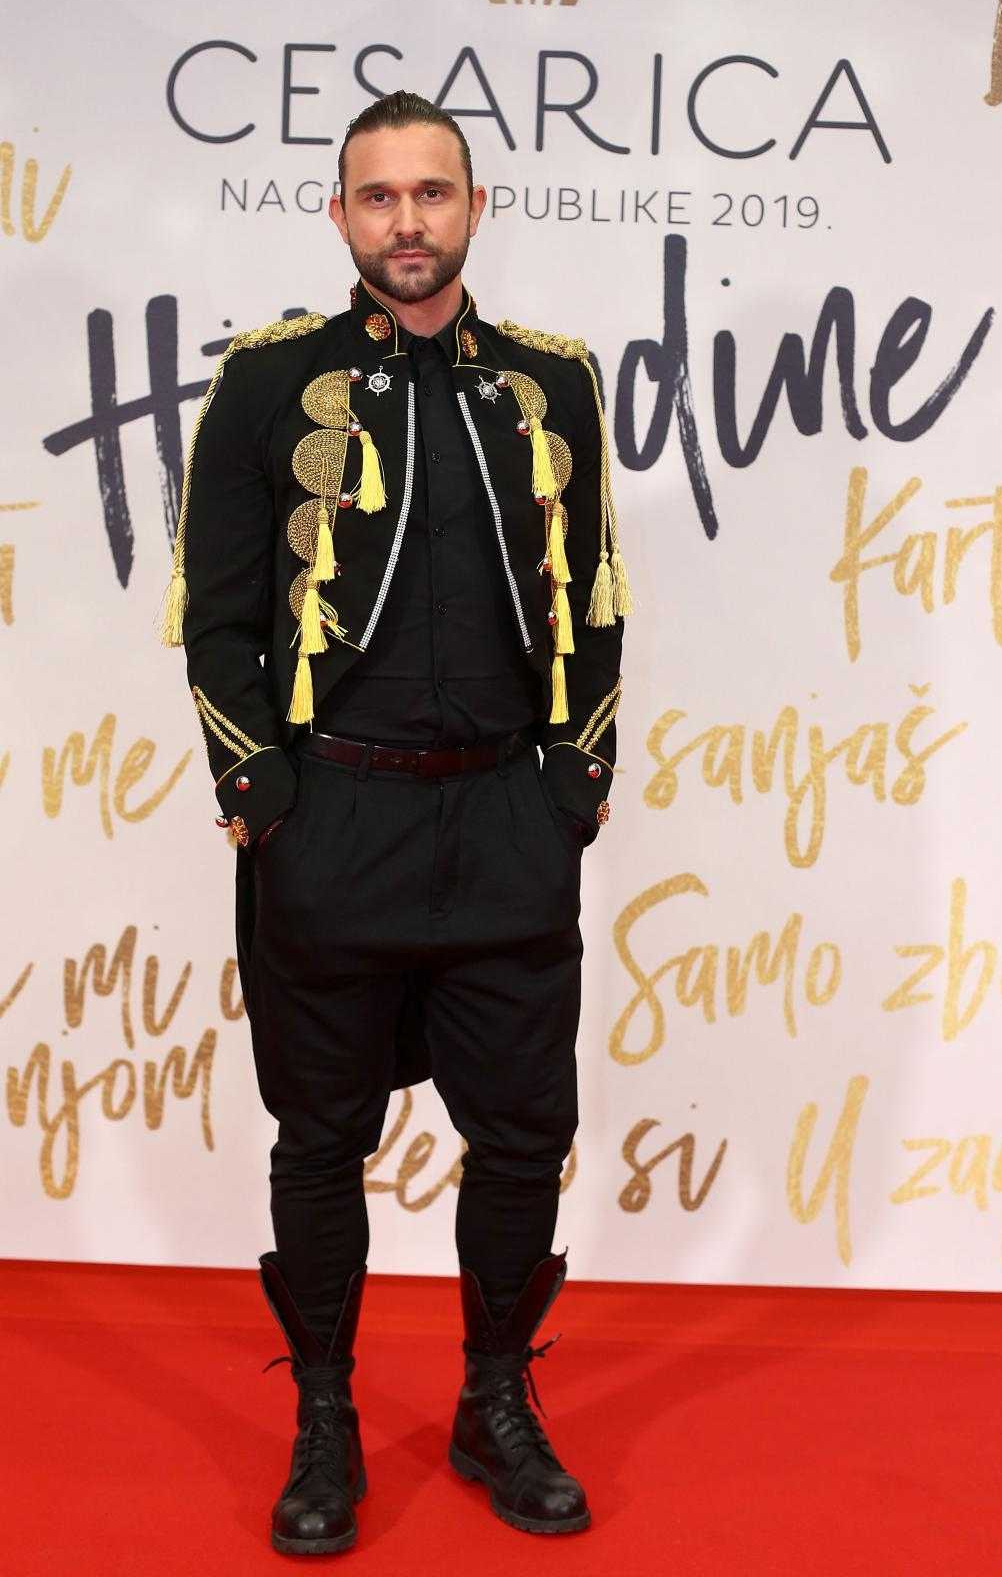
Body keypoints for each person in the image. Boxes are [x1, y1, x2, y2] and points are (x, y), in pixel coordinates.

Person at [159, 89, 631, 1555]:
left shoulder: (553, 383)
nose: (407, 221)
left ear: (475, 208)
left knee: (523, 1135)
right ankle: (325, 1420)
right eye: (380, 196)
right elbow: (218, 612)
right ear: (340, 215)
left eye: (432, 193)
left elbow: (595, 598)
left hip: (506, 819)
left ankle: (496, 1402)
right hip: (334, 825)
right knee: (319, 1138)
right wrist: (264, 791)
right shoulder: (268, 381)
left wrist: (575, 782)